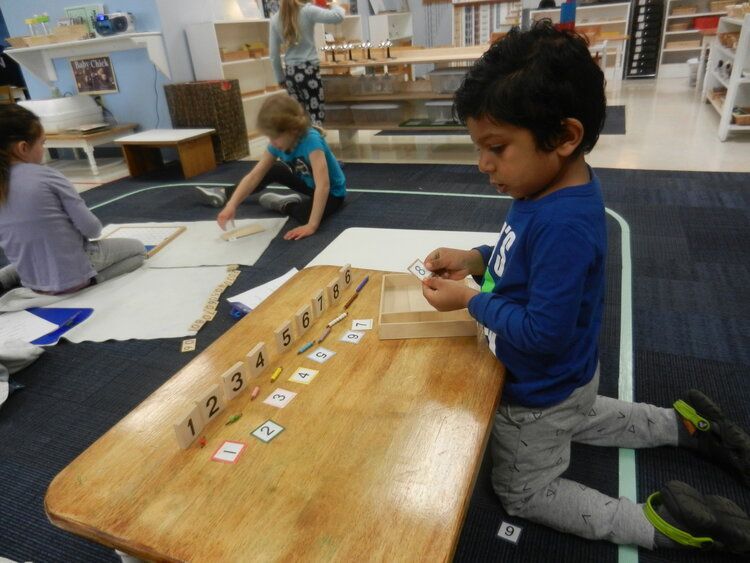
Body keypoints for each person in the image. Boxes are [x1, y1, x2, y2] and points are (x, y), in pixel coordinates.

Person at [420, 21, 750, 555]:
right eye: (480, 146)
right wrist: (476, 258)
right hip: (570, 380)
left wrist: (472, 301)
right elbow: (521, 256)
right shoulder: (544, 184)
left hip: (538, 389)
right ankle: (685, 426)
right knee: (585, 412)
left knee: (521, 490)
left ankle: (659, 523)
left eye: (497, 147)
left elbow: (542, 334)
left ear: (565, 136)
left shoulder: (563, 223)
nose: (483, 164)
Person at [0, 104, 145, 296]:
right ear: (23, 148)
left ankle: (7, 277)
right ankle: (92, 281)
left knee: (32, 252)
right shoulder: (47, 176)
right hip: (74, 274)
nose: (43, 149)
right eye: (42, 144)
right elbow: (92, 229)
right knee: (138, 251)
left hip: (31, 279)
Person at [209, 94, 346, 241]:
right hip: (308, 183)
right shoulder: (278, 143)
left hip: (332, 192)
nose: (271, 142)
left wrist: (312, 225)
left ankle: (287, 205)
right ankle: (226, 193)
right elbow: (254, 176)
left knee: (304, 215)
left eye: (274, 137)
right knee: (272, 169)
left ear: (292, 130)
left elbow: (323, 185)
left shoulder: (311, 141)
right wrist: (232, 204)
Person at [269, 0, 344, 125]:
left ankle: (301, 143)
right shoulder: (307, 11)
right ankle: (316, 143)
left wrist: (280, 78)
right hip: (309, 72)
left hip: (290, 74)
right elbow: (338, 17)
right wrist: (334, 4)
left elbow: (273, 55)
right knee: (316, 115)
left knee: (298, 118)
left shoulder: (275, 19)